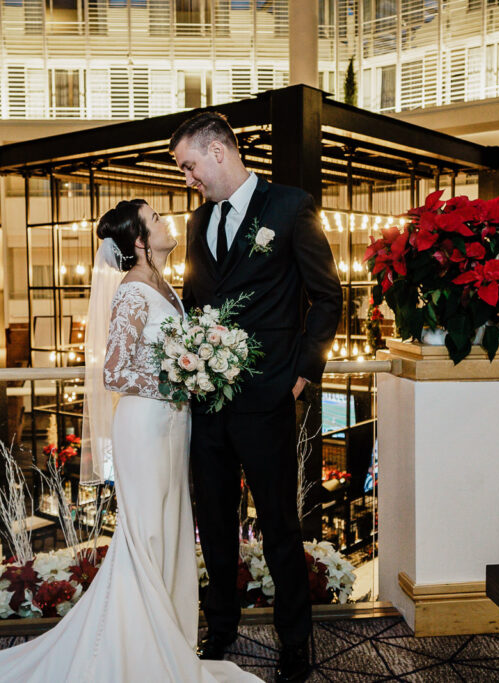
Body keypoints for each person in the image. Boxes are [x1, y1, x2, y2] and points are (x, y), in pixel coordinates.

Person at [0, 200, 261, 682]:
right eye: (155, 219)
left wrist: (190, 369)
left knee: (170, 529)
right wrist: (182, 377)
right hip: (146, 427)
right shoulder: (133, 293)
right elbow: (115, 371)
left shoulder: (163, 284)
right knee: (146, 534)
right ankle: (139, 652)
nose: (165, 223)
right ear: (139, 241)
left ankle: (166, 643)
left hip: (174, 426)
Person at [172, 112, 343, 683]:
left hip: (269, 398)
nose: (188, 177)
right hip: (207, 403)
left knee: (279, 526)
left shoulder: (291, 207)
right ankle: (219, 628)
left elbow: (327, 297)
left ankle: (296, 642)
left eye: (189, 165)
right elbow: (199, 300)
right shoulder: (198, 223)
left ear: (218, 152)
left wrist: (300, 375)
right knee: (214, 524)